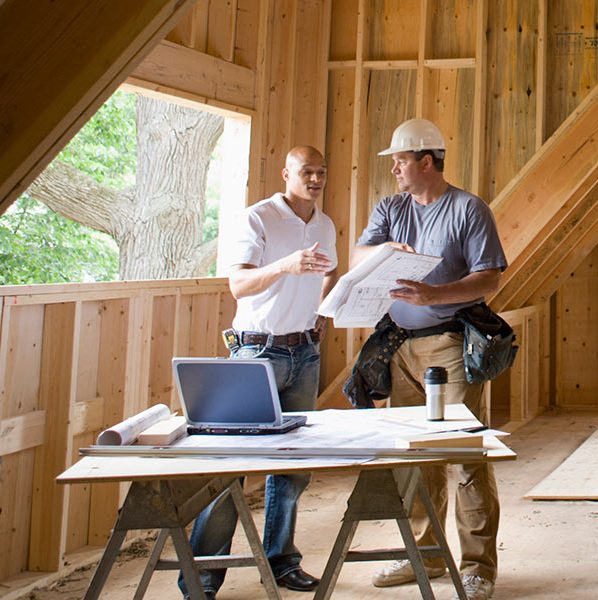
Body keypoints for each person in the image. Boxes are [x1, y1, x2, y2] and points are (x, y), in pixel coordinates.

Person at [351, 118, 506, 600]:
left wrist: (433, 292)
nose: (394, 167)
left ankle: (478, 565)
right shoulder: (391, 207)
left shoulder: (468, 209)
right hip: (399, 347)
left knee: (463, 456)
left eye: (400, 159)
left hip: (449, 344)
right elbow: (358, 258)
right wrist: (381, 254)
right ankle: (426, 554)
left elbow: (489, 279)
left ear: (426, 161)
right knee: (415, 455)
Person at [178, 146, 338, 600]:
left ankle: (281, 561)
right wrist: (287, 265)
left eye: (321, 173)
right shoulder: (258, 218)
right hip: (257, 353)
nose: (315, 179)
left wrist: (321, 310)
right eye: (306, 171)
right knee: (232, 468)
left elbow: (331, 272)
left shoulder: (324, 224)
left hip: (305, 352)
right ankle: (202, 581)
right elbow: (239, 284)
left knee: (293, 467)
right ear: (286, 173)